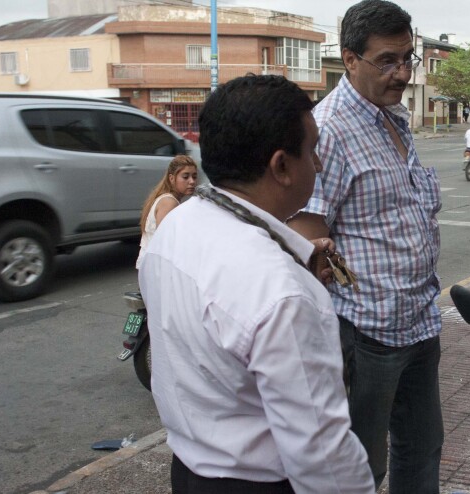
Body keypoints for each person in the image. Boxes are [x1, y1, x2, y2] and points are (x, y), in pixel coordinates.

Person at [138, 74, 374, 494]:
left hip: (190, 471)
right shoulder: (283, 291)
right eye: (313, 150)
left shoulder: (174, 230)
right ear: (282, 166)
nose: (319, 165)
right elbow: (323, 457)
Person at [286, 1, 443, 492]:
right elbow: (310, 233)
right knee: (362, 465)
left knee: (422, 449)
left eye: (407, 58)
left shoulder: (391, 115)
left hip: (418, 321)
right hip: (366, 330)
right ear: (350, 59)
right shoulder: (328, 129)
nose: (401, 73)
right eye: (387, 61)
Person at [136, 155, 197, 268]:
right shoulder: (169, 202)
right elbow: (166, 242)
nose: (192, 181)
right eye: (185, 177)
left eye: (194, 176)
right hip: (155, 270)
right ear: (172, 178)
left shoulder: (167, 199)